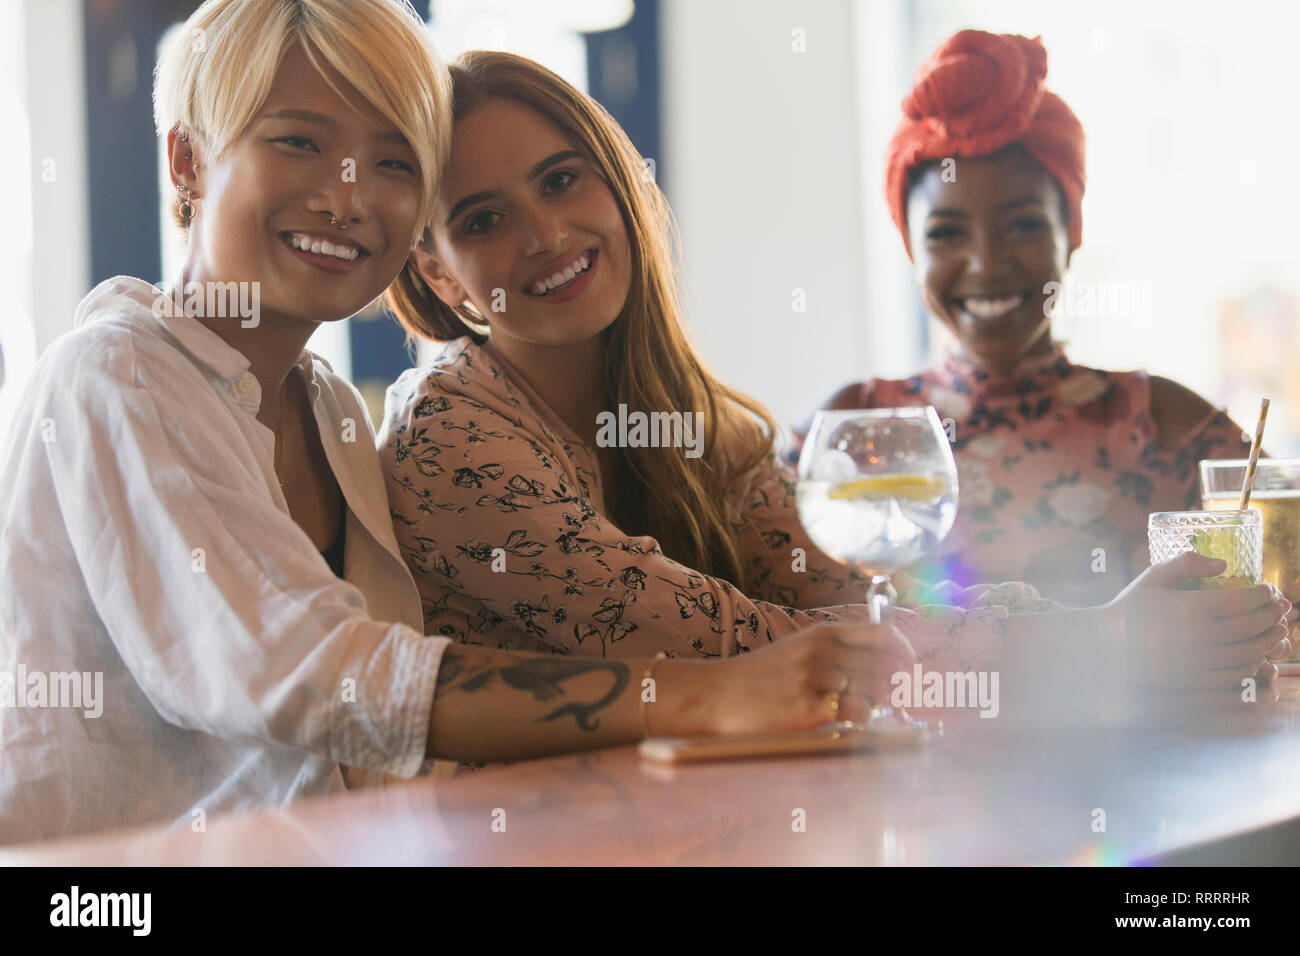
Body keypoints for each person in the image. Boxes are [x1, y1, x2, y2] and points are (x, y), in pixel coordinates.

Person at [0, 0, 919, 847]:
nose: (348, 196)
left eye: (393, 160)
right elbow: (310, 674)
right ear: (189, 161)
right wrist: (705, 700)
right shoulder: (120, 372)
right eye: (298, 142)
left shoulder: (323, 409)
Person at [377, 52, 1289, 688]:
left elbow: (859, 594)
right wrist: (1094, 644)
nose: (545, 234)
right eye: (485, 220)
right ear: (438, 273)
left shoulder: (700, 425)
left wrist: (1104, 628)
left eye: (563, 179)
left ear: (621, 184)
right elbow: (721, 645)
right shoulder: (448, 432)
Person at [795, 30, 1252, 607]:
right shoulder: (846, 431)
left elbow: (1279, 623)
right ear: (912, 249)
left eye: (1023, 225)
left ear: (1073, 235)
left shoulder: (1173, 428)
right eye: (946, 234)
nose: (987, 264)